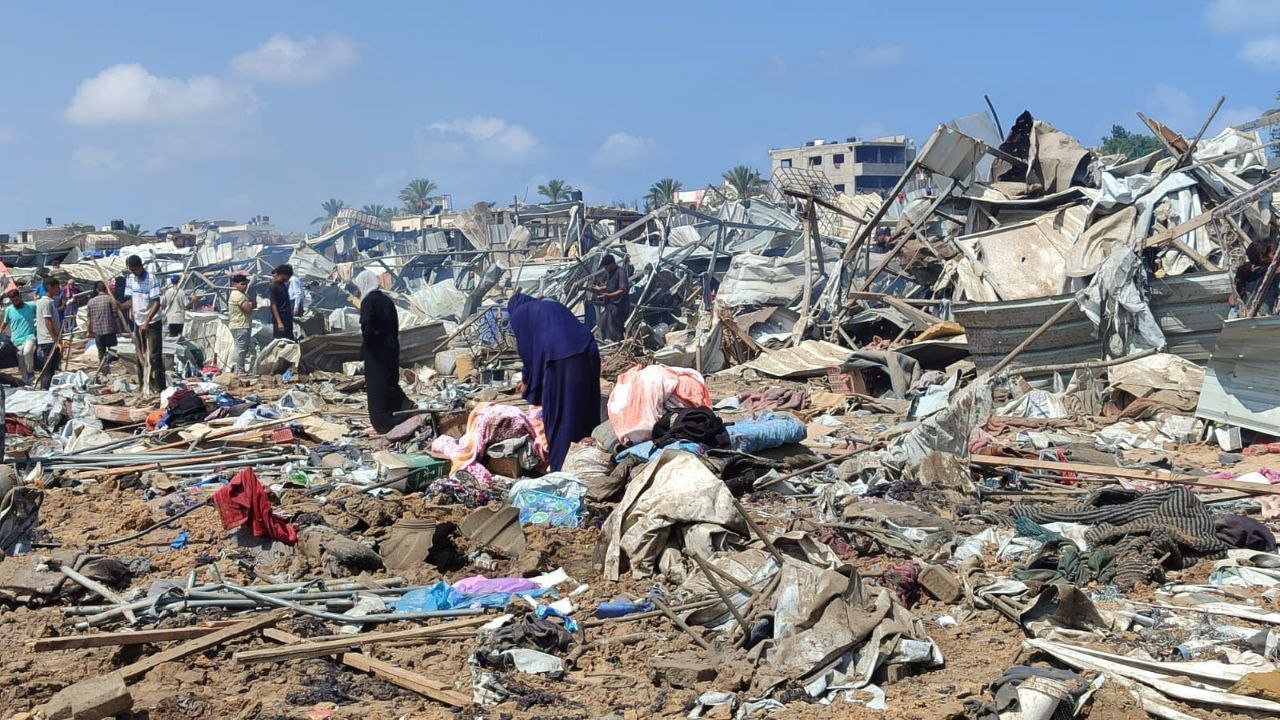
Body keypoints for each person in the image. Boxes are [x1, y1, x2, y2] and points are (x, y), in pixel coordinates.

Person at [507, 292, 601, 471]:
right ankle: (590, 460)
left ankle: (562, 468)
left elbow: (529, 353)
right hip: (588, 350)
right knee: (585, 407)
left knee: (560, 415)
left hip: (560, 358)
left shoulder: (520, 314)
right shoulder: (550, 305)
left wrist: (527, 382)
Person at [355, 270, 411, 434]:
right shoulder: (387, 300)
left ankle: (384, 423)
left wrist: (366, 348)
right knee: (390, 381)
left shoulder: (368, 302)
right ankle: (402, 407)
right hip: (391, 348)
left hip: (376, 352)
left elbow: (368, 326)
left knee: (377, 386)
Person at [121, 255, 165, 391]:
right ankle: (143, 386)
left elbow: (157, 302)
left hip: (152, 322)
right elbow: (130, 300)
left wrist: (147, 321)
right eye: (131, 270)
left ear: (140, 266)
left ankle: (159, 387)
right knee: (139, 355)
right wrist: (127, 308)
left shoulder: (151, 279)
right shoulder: (130, 279)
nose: (133, 272)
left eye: (135, 270)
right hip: (138, 322)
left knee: (154, 355)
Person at [591, 254, 630, 342]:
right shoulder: (611, 273)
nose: (605, 269)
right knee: (602, 324)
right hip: (610, 305)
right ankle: (605, 341)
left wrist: (608, 295)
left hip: (619, 306)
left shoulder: (621, 273)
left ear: (612, 264)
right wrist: (600, 289)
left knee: (614, 328)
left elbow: (622, 290)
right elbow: (610, 286)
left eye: (606, 267)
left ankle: (616, 343)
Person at [2, 288, 37, 384]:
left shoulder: (31, 306)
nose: (15, 302)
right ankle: (27, 382)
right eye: (13, 301)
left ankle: (31, 372)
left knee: (27, 352)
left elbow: (42, 308)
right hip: (17, 340)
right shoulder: (9, 310)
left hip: (29, 336)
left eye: (16, 300)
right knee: (21, 362)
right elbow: (5, 323)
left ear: (20, 297)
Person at [85, 282, 120, 375]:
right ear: (105, 289)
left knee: (101, 352)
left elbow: (89, 319)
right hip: (110, 330)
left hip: (98, 332)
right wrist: (120, 329)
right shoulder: (110, 300)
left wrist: (89, 331)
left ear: (97, 290)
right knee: (113, 350)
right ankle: (107, 366)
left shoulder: (91, 302)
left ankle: (104, 372)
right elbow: (115, 316)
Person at [34, 277, 61, 382]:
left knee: (51, 368)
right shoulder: (46, 302)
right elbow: (48, 322)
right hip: (49, 340)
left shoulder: (47, 301)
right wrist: (56, 340)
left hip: (49, 340)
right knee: (48, 369)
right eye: (56, 287)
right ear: (49, 287)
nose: (58, 289)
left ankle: (46, 389)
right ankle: (45, 390)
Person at [228, 273, 256, 373]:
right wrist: (250, 304)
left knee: (241, 348)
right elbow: (248, 309)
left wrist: (251, 304)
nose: (245, 286)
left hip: (241, 324)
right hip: (240, 325)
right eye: (242, 284)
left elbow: (253, 304)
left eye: (245, 284)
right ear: (235, 284)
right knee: (241, 349)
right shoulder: (237, 295)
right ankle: (240, 370)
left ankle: (239, 369)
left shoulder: (243, 294)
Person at [269, 265, 294, 341]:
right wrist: (279, 322)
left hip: (287, 318)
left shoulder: (283, 285)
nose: (289, 278)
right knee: (281, 342)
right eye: (288, 276)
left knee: (290, 341)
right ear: (283, 274)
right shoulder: (274, 286)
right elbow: (273, 304)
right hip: (280, 319)